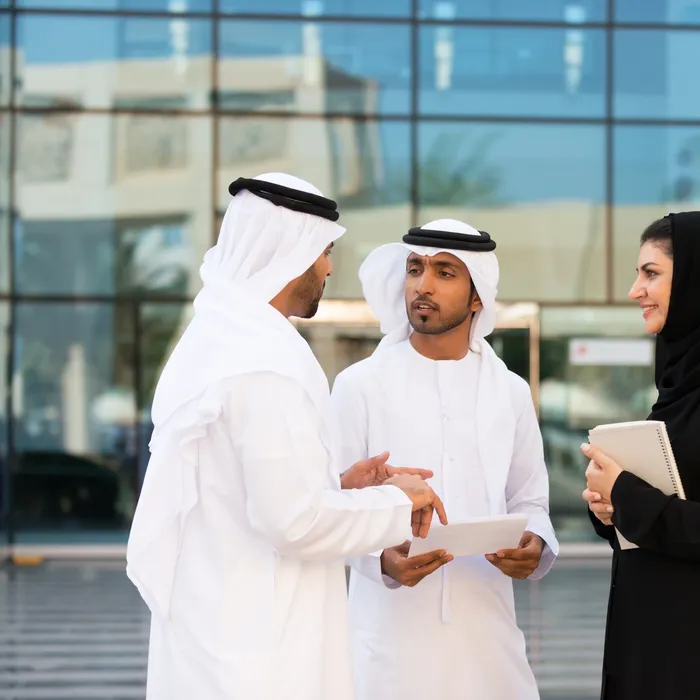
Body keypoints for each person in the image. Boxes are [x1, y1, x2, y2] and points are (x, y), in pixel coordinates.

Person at [125, 173, 448, 700]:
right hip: (258, 655)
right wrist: (397, 501)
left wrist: (339, 487)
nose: (326, 267)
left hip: (215, 635)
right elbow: (292, 521)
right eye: (322, 251)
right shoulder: (264, 360)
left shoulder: (216, 338)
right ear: (291, 252)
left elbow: (243, 493)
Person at [330, 219, 559, 700]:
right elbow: (331, 507)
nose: (423, 285)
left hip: (487, 640)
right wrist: (381, 560)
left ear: (478, 296)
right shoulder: (359, 385)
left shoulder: (510, 391)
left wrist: (534, 545)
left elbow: (530, 500)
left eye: (445, 272)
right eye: (415, 269)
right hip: (388, 642)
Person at [583, 212, 700, 700]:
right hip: (655, 643)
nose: (635, 290)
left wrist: (628, 495)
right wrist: (608, 508)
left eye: (651, 273)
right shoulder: (678, 387)